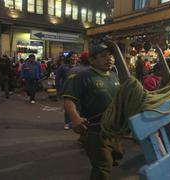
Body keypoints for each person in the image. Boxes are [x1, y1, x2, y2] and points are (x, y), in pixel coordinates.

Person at [63, 43, 123, 180]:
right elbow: (68, 100)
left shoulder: (115, 75)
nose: (109, 59)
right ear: (92, 60)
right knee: (103, 167)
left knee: (117, 155)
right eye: (103, 56)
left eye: (111, 55)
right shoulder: (83, 76)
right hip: (94, 130)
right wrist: (75, 118)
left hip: (114, 128)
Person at [56, 52, 79, 130]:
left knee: (78, 107)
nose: (74, 58)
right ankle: (67, 122)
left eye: (76, 57)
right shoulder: (63, 67)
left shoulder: (79, 67)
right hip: (67, 90)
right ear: (69, 58)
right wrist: (59, 90)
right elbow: (57, 79)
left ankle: (76, 121)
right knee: (68, 107)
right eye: (73, 57)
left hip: (78, 90)